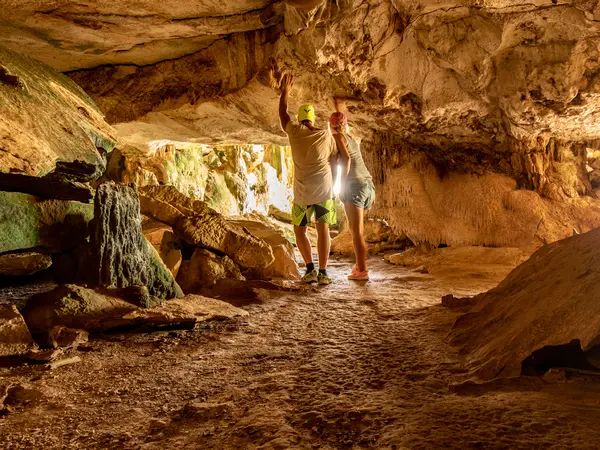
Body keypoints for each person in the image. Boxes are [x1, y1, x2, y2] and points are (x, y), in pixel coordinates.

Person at [277, 72, 338, 285]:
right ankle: (323, 274)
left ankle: (309, 270)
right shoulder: (324, 135)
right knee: (323, 231)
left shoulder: (294, 132)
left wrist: (285, 92)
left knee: (299, 231)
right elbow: (334, 159)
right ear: (312, 119)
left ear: (300, 119)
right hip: (324, 191)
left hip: (302, 194)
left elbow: (283, 115)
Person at [329, 97, 375, 281]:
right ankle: (359, 264)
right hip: (368, 186)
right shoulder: (350, 137)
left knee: (356, 232)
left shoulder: (337, 137)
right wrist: (338, 106)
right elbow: (342, 119)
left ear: (330, 126)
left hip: (355, 186)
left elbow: (346, 160)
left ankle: (362, 271)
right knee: (359, 231)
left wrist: (339, 185)